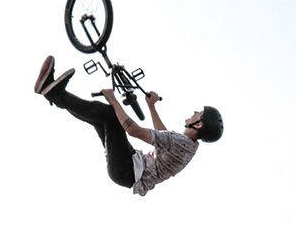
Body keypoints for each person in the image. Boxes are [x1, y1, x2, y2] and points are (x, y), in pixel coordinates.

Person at [34, 56, 222, 196]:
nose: (195, 112)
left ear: (199, 124)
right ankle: (54, 93)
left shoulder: (181, 143)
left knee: (110, 115)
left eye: (200, 114)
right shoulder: (186, 145)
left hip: (127, 170)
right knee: (99, 117)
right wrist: (151, 106)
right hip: (129, 167)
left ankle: (56, 95)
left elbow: (133, 130)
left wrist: (114, 100)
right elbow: (162, 135)